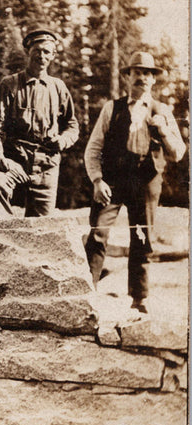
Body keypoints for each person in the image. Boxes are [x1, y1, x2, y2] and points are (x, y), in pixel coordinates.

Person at [84, 51, 186, 313]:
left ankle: (139, 299)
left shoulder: (162, 110)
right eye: (136, 72)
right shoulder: (112, 108)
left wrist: (162, 130)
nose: (142, 77)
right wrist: (97, 180)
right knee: (98, 233)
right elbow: (93, 148)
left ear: (153, 80)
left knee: (142, 237)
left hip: (146, 181)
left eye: (147, 73)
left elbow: (178, 153)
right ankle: (86, 293)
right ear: (127, 77)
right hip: (113, 181)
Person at [0, 28, 79, 217]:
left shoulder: (58, 88)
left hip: (46, 164)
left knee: (42, 228)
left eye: (46, 52)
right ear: (29, 52)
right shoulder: (10, 84)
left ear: (53, 56)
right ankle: (4, 234)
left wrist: (63, 140)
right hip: (14, 159)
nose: (41, 56)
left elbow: (72, 125)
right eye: (37, 51)